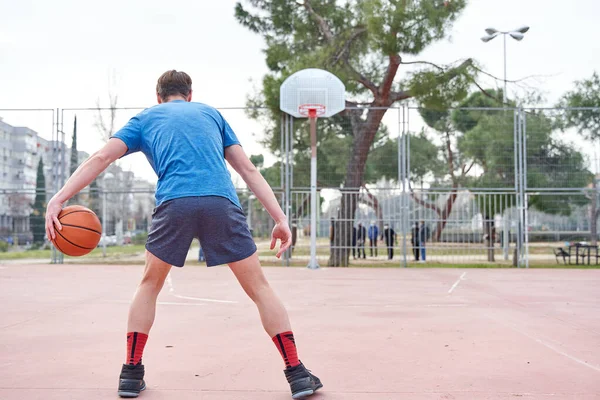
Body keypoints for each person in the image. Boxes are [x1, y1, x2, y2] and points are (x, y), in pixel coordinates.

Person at [44, 70, 322, 399]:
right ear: (190, 94)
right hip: (220, 201)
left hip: (174, 202)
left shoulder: (145, 118)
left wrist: (59, 198)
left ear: (158, 96)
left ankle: (131, 374)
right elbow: (246, 168)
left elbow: (102, 157)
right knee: (260, 287)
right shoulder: (211, 113)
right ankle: (297, 374)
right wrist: (279, 217)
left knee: (149, 284)